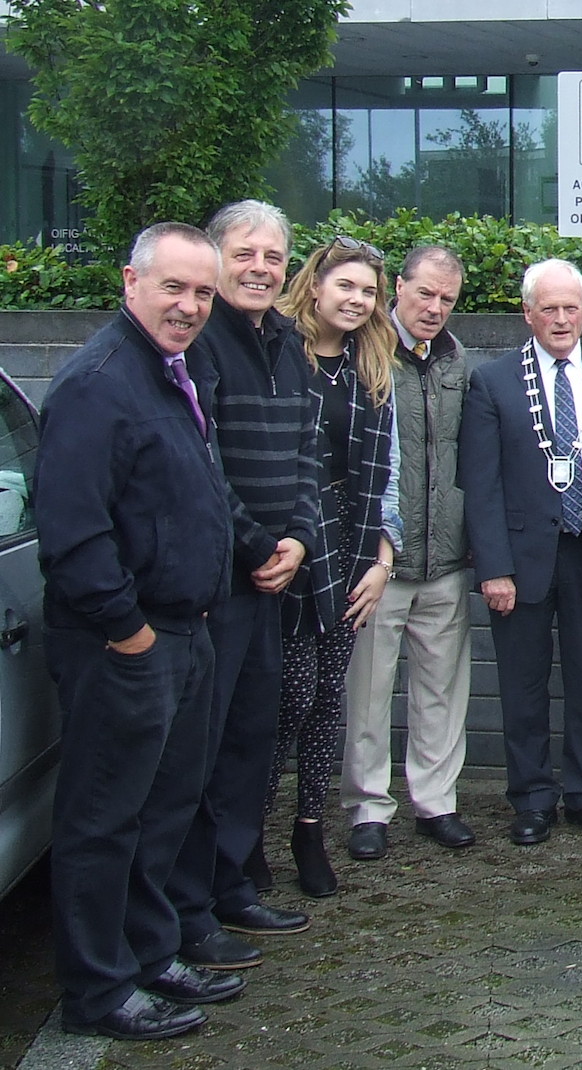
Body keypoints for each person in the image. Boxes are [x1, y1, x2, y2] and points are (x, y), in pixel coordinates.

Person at [38, 223, 243, 1038]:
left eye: (201, 293)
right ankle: (97, 993)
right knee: (102, 821)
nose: (189, 307)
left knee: (162, 811)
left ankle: (151, 954)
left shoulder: (169, 374)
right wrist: (129, 634)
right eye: (174, 288)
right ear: (131, 281)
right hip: (124, 643)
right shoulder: (98, 382)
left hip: (183, 633)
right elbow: (74, 534)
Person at [169, 200, 318, 970]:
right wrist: (260, 545)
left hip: (273, 581)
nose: (261, 267)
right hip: (217, 586)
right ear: (215, 258)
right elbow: (204, 462)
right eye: (246, 252)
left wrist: (295, 537)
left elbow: (305, 455)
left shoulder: (287, 345)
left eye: (274, 255)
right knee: (202, 748)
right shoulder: (199, 346)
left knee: (250, 744)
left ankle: (232, 884)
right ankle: (188, 909)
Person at [460, 258, 582, 844]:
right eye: (549, 308)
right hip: (520, 559)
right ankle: (532, 799)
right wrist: (493, 567)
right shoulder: (491, 382)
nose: (562, 319)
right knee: (521, 683)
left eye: (572, 307)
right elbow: (482, 483)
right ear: (528, 314)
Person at [267, 238, 400, 897]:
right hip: (292, 545)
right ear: (314, 286)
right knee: (287, 698)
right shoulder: (276, 354)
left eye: (369, 292)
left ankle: (308, 829)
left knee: (327, 700)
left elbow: (387, 477)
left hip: (353, 548)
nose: (356, 300)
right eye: (346, 286)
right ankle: (250, 830)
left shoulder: (370, 366)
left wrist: (382, 559)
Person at [342, 246, 477, 863]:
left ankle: (436, 802)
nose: (434, 308)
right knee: (369, 688)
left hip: (445, 559)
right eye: (425, 294)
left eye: (447, 299)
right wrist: (373, 546)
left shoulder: (458, 362)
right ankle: (368, 808)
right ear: (397, 286)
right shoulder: (363, 354)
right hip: (380, 561)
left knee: (441, 690)